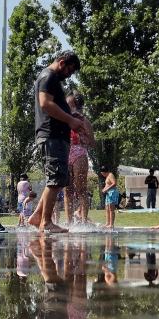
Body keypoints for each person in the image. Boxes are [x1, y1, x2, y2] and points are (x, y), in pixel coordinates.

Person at [27, 50, 83, 233]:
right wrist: (70, 120)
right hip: (52, 136)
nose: (70, 75)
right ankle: (46, 222)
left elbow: (53, 105)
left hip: (56, 136)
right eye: (70, 70)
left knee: (58, 179)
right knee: (55, 179)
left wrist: (69, 114)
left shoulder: (51, 79)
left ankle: (37, 216)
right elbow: (45, 103)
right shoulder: (48, 76)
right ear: (61, 62)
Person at [64, 89, 95, 224]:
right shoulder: (64, 120)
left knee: (82, 188)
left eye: (72, 106)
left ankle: (83, 221)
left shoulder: (84, 121)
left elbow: (92, 143)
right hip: (66, 153)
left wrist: (81, 136)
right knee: (67, 190)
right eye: (68, 106)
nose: (70, 109)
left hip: (79, 152)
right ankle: (69, 221)